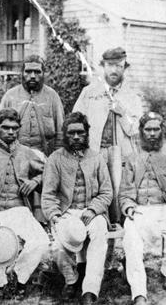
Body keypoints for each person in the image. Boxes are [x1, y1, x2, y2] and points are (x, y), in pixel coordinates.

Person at [0, 108, 50, 303]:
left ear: (19, 129)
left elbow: (50, 172)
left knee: (41, 241)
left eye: (15, 128)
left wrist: (36, 181)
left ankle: (19, 276)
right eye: (5, 128)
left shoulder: (26, 153)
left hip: (20, 212)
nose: (10, 132)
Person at [41, 112, 112, 305]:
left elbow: (106, 192)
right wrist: (55, 215)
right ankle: (71, 279)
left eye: (80, 133)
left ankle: (90, 289)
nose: (76, 137)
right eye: (71, 133)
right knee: (56, 246)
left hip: (91, 211)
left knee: (100, 233)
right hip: (65, 212)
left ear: (87, 134)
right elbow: (48, 194)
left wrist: (93, 210)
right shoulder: (55, 159)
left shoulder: (96, 158)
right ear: (65, 134)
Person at [119, 112, 166, 305]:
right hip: (140, 210)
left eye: (156, 129)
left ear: (161, 131)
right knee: (131, 243)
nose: (152, 133)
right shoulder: (132, 158)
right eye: (148, 129)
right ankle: (139, 292)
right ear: (141, 131)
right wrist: (129, 208)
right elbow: (124, 193)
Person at [73, 47, 144, 160]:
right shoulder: (88, 92)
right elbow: (75, 123)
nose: (114, 70)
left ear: (124, 68)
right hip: (93, 154)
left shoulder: (132, 97)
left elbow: (136, 130)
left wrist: (122, 114)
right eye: (110, 65)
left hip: (122, 158)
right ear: (103, 66)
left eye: (119, 66)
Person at [0, 55, 64, 156]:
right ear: (22, 73)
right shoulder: (10, 96)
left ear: (43, 74)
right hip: (15, 157)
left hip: (46, 157)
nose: (33, 76)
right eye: (28, 71)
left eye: (37, 72)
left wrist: (57, 158)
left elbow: (61, 131)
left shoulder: (52, 96)